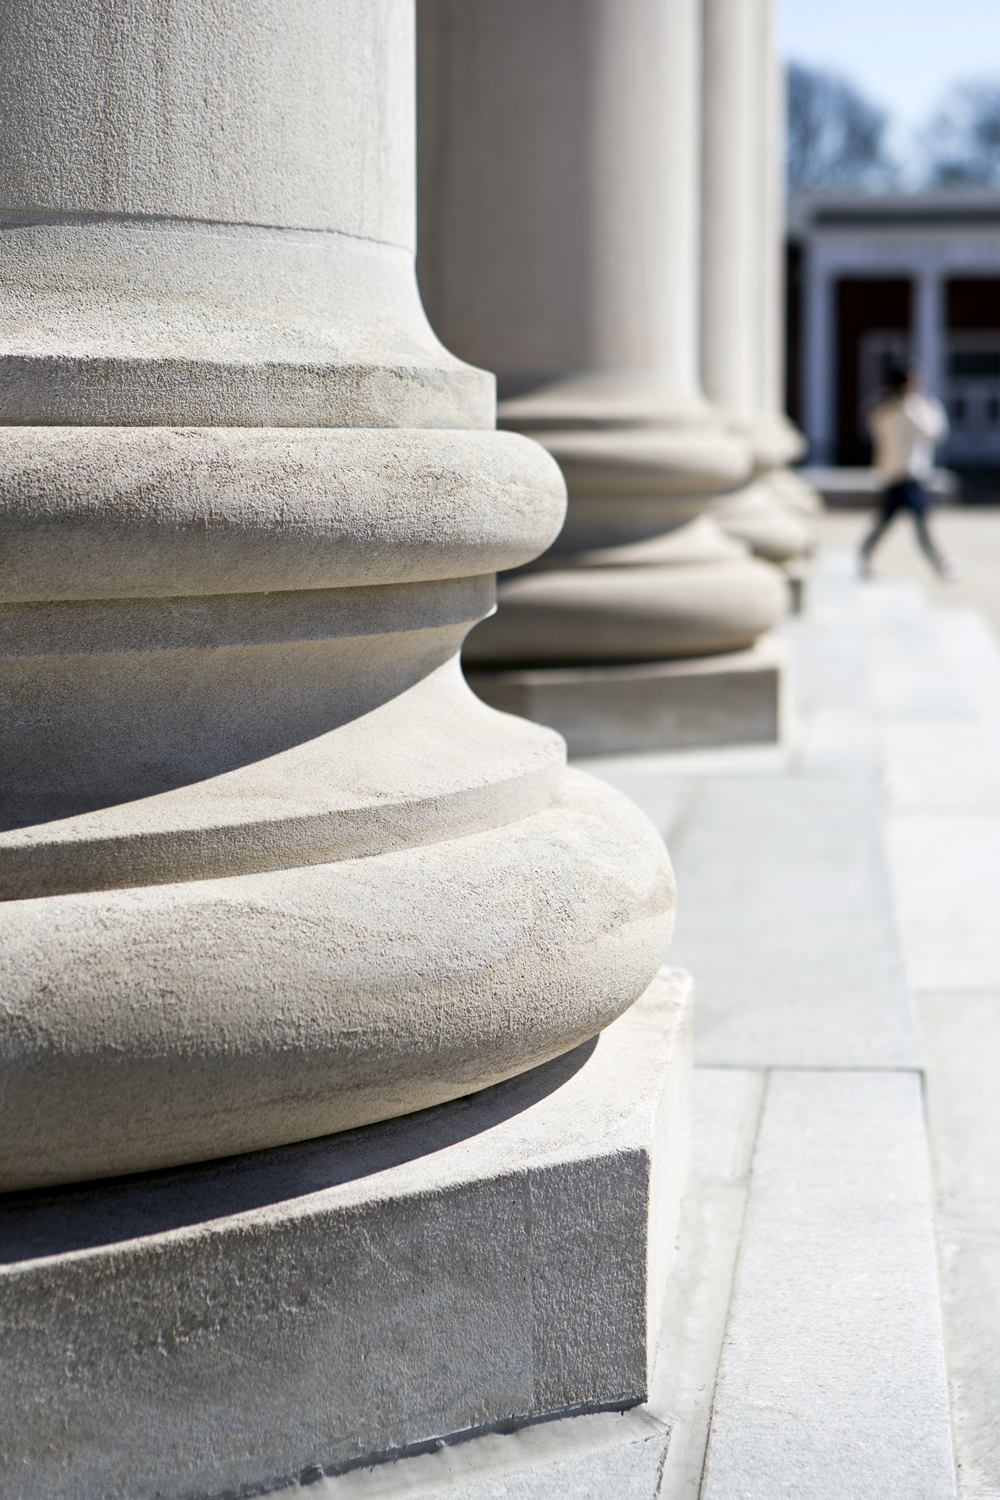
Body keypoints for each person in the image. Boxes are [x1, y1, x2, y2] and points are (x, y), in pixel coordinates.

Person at [859, 366, 956, 579]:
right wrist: (922, 404)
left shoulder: (881, 407)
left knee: (888, 521)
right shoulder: (906, 409)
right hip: (906, 475)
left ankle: (863, 557)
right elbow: (932, 431)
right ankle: (940, 564)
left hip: (897, 474)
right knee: (918, 522)